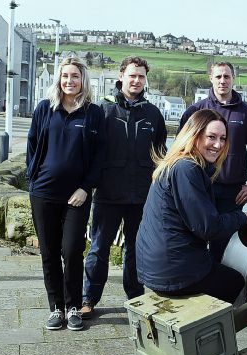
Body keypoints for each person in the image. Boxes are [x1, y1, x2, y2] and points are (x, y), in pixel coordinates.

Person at [136, 109, 247, 303]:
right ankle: (210, 328)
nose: (218, 145)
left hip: (154, 265)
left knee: (214, 265)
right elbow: (208, 228)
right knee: (235, 281)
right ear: (194, 135)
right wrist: (244, 217)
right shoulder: (187, 169)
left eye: (223, 138)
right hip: (170, 271)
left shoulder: (178, 164)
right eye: (211, 137)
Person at [80, 57, 167, 319]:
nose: (136, 81)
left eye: (141, 77)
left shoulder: (153, 114)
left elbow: (161, 156)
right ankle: (88, 299)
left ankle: (135, 298)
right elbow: (88, 151)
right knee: (98, 248)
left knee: (135, 250)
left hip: (141, 196)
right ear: (122, 76)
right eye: (132, 76)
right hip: (107, 193)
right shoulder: (102, 111)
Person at [26, 56, 105, 331]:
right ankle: (56, 309)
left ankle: (73, 305)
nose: (69, 81)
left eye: (75, 76)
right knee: (49, 251)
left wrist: (86, 188)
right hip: (43, 193)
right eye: (65, 76)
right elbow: (33, 145)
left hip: (77, 196)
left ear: (83, 79)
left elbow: (99, 156)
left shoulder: (94, 113)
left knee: (71, 250)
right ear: (58, 80)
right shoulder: (44, 109)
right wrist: (32, 179)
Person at [179, 61, 247, 262]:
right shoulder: (196, 111)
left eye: (227, 76)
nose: (222, 81)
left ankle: (219, 287)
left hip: (232, 192)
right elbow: (181, 149)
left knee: (223, 245)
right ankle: (194, 280)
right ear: (210, 78)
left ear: (233, 78)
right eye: (218, 76)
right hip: (200, 187)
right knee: (194, 236)